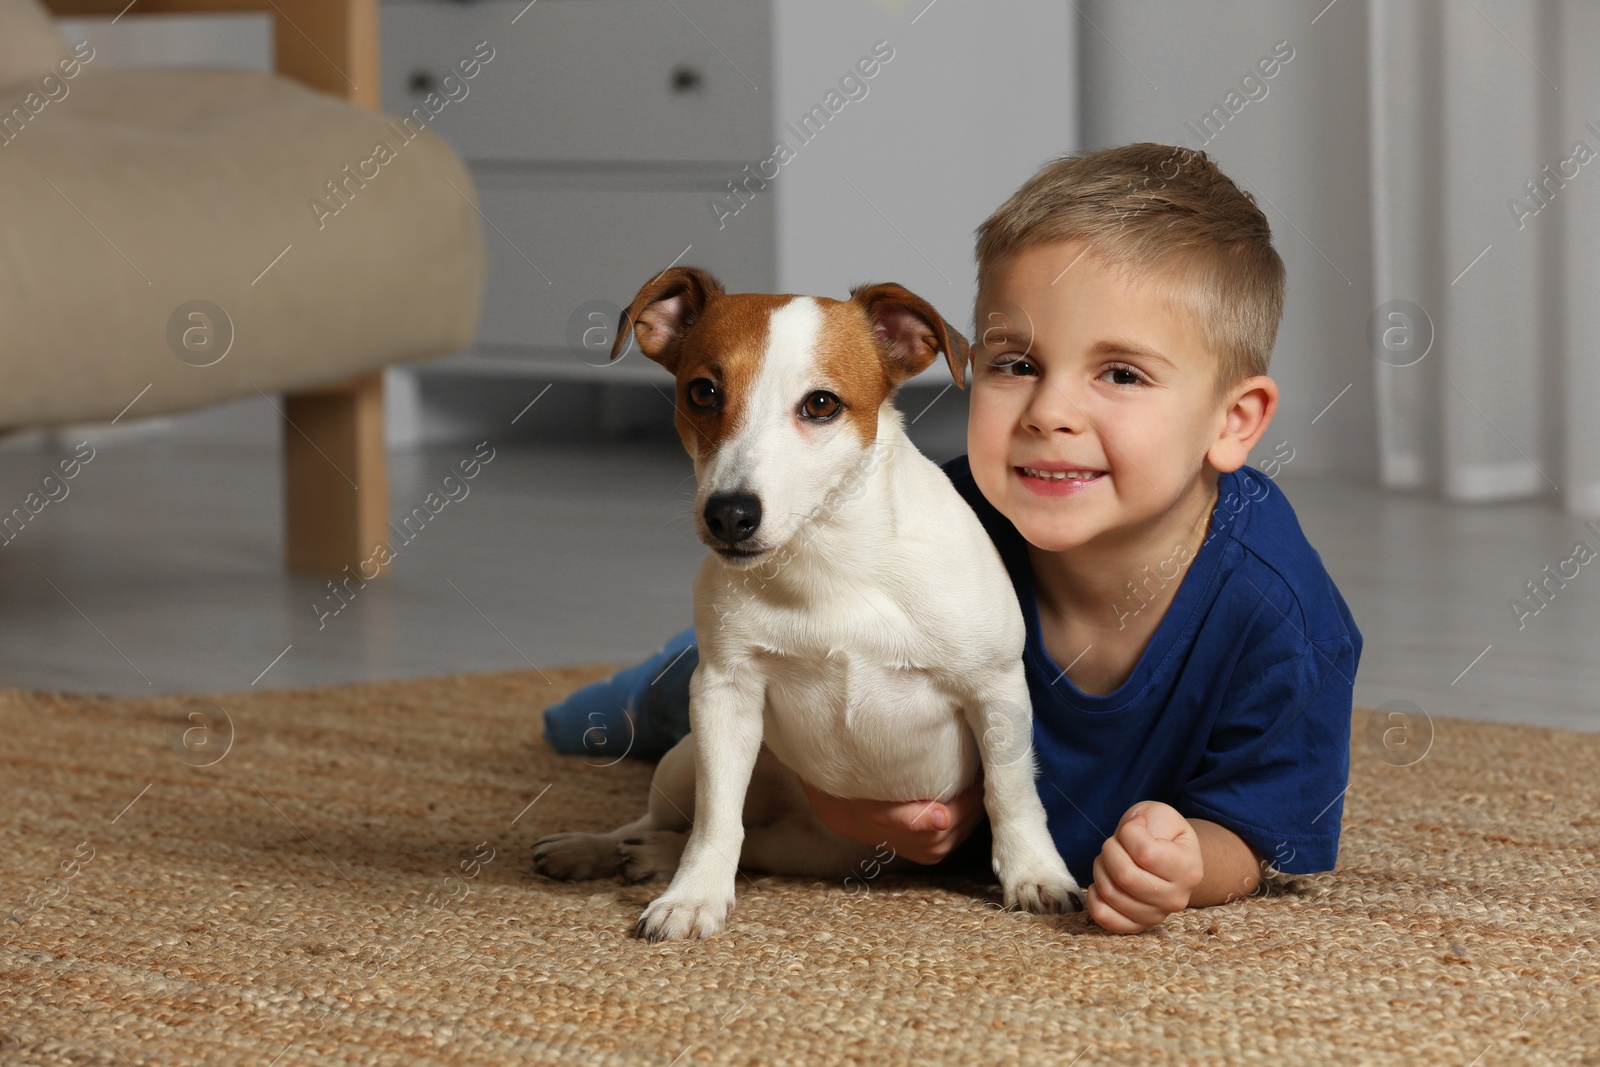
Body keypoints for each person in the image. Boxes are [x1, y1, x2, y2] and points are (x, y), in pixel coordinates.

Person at [542, 143, 1361, 934]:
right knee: (675, 691)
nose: (1050, 415)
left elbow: (1263, 828)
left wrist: (1187, 864)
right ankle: (614, 702)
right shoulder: (956, 498)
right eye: (1015, 364)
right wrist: (833, 795)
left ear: (1233, 420)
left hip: (864, 695)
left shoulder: (1281, 616)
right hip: (786, 666)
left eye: (1121, 373)